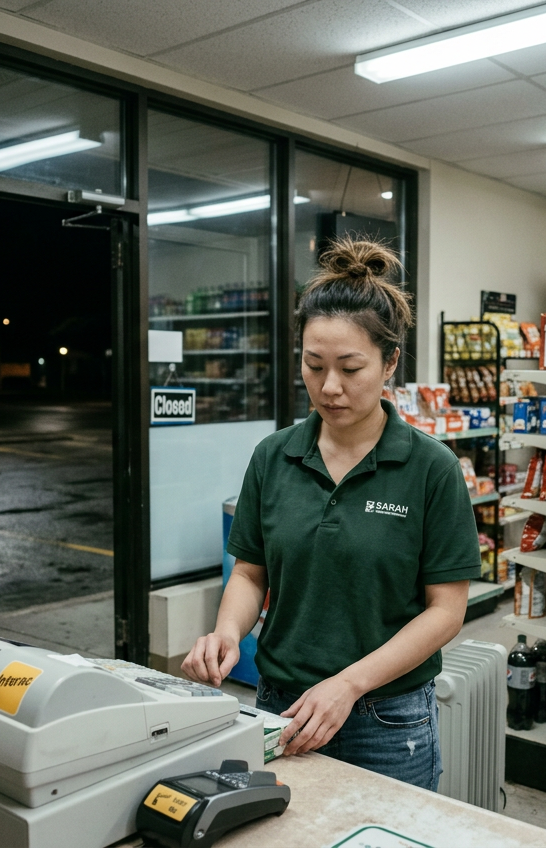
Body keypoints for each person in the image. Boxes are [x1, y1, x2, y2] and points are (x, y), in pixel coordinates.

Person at [182, 237, 482, 790]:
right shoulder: (273, 456)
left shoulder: (431, 468)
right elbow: (249, 572)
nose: (329, 387)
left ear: (390, 362)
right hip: (282, 705)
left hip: (386, 719)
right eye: (313, 365)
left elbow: (446, 611)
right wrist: (227, 631)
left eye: (350, 367)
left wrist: (349, 684)